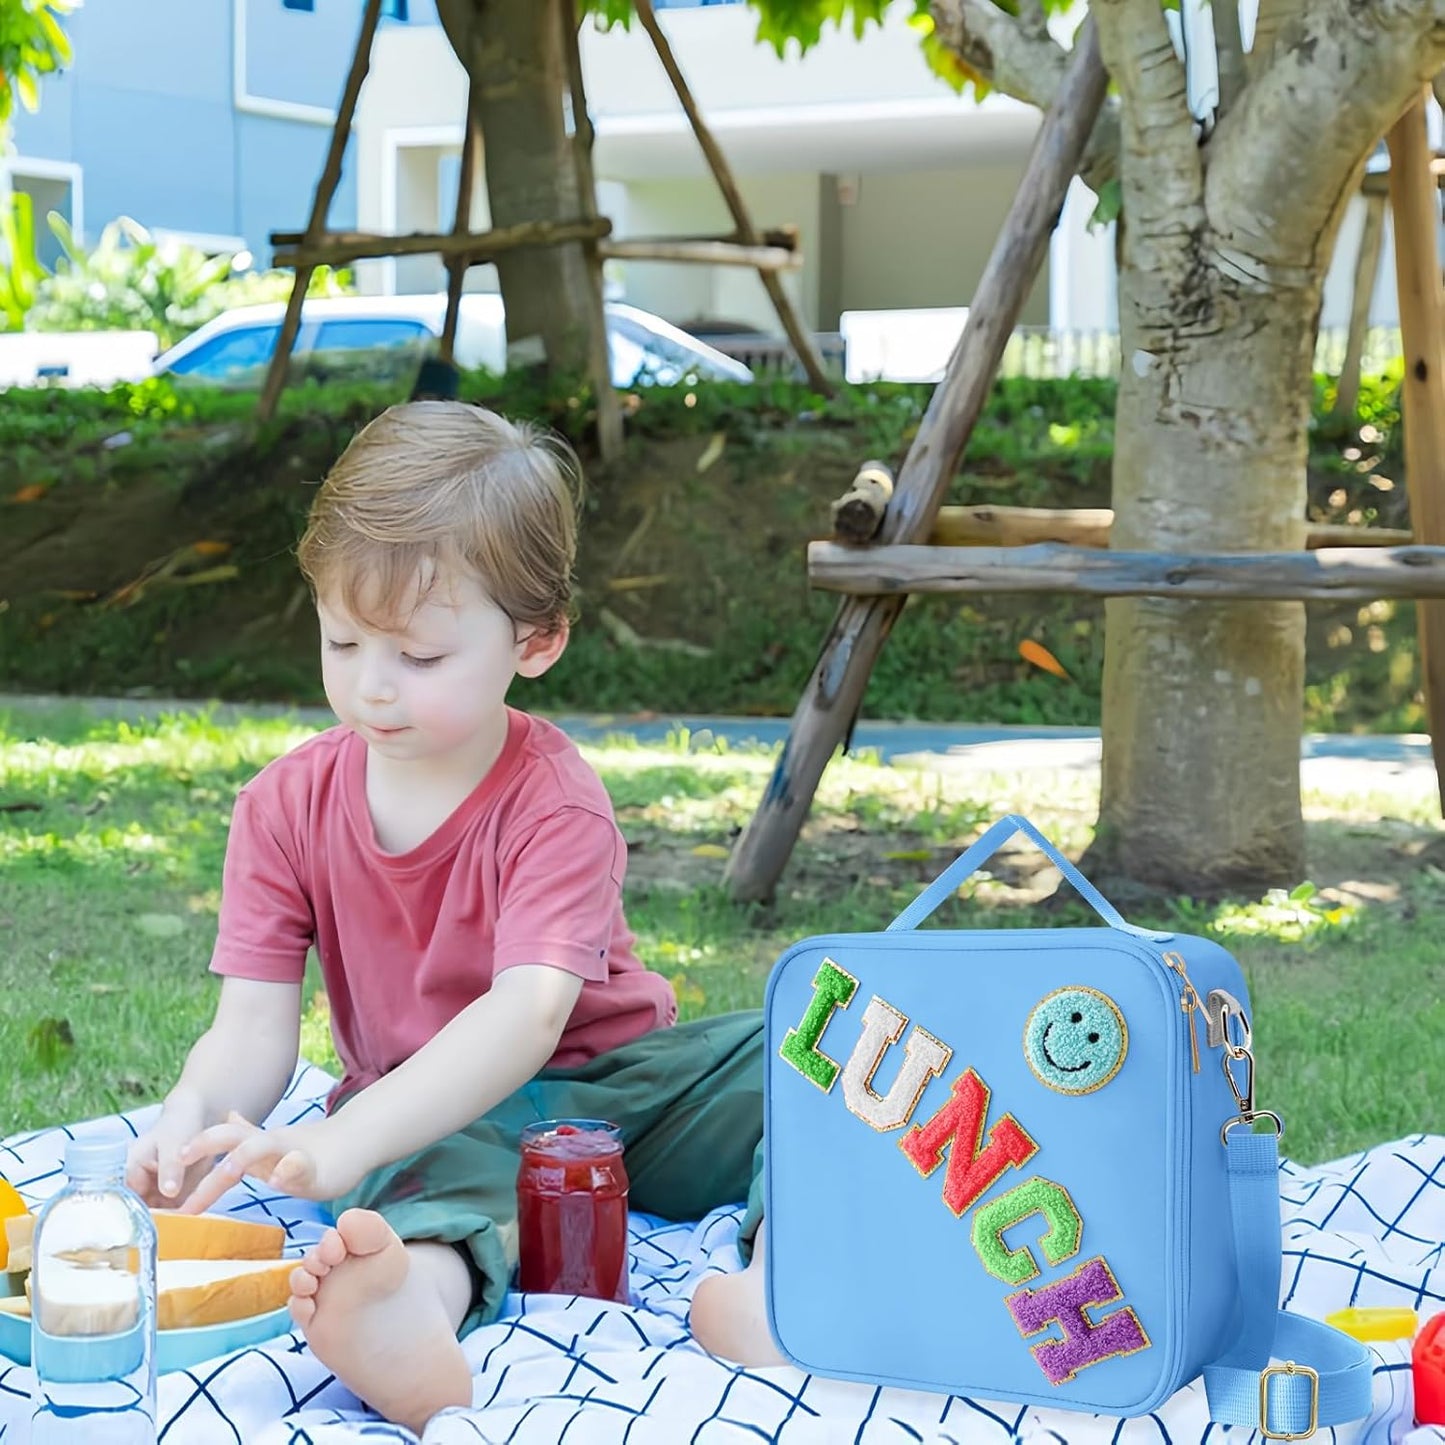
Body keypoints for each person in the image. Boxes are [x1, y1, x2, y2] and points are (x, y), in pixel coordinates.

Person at [125, 401, 781, 1436]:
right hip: (429, 1108)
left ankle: (786, 1278)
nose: (372, 686)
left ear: (537, 639)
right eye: (342, 639)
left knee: (812, 1051)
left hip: (621, 1092)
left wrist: (339, 1140)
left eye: (419, 656)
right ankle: (403, 1312)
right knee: (415, 1176)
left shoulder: (553, 799)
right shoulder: (283, 804)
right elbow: (251, 1025)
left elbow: (527, 1015)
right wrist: (188, 1113)